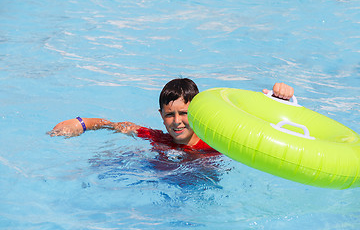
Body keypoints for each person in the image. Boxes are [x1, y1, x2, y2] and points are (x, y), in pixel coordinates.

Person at [48, 78, 294, 155]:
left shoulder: (218, 144)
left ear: (198, 112)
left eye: (184, 113)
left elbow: (264, 131)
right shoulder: (157, 138)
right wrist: (81, 123)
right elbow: (114, 125)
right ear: (161, 115)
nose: (177, 121)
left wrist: (281, 99)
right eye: (169, 115)